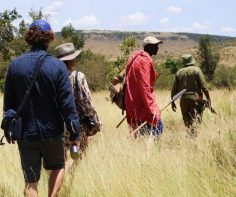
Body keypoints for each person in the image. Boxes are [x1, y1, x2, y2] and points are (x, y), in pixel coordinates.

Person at [3, 20, 80, 197]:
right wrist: (75, 134)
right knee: (58, 167)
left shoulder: (15, 66)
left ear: (29, 38)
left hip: (26, 135)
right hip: (52, 132)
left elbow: (8, 106)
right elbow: (68, 105)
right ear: (49, 38)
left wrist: (9, 130)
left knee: (30, 183)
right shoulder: (58, 66)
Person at [55, 43, 101, 153]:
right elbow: (86, 101)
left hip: (58, 125)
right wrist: (95, 120)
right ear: (70, 60)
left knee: (61, 158)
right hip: (77, 123)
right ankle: (73, 171)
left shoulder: (53, 77)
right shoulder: (78, 76)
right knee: (81, 155)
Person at [125, 36, 164, 137]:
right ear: (148, 47)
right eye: (155, 46)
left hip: (133, 104)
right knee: (157, 129)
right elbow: (145, 88)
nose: (157, 48)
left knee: (141, 137)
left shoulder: (136, 57)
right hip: (142, 105)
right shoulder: (144, 60)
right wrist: (152, 110)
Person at [171, 54, 211, 137]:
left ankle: (190, 137)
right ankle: (193, 138)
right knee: (196, 120)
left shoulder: (179, 72)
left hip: (183, 100)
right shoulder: (197, 70)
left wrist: (173, 102)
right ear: (192, 61)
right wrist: (208, 99)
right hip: (196, 98)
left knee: (187, 121)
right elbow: (204, 86)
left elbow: (174, 89)